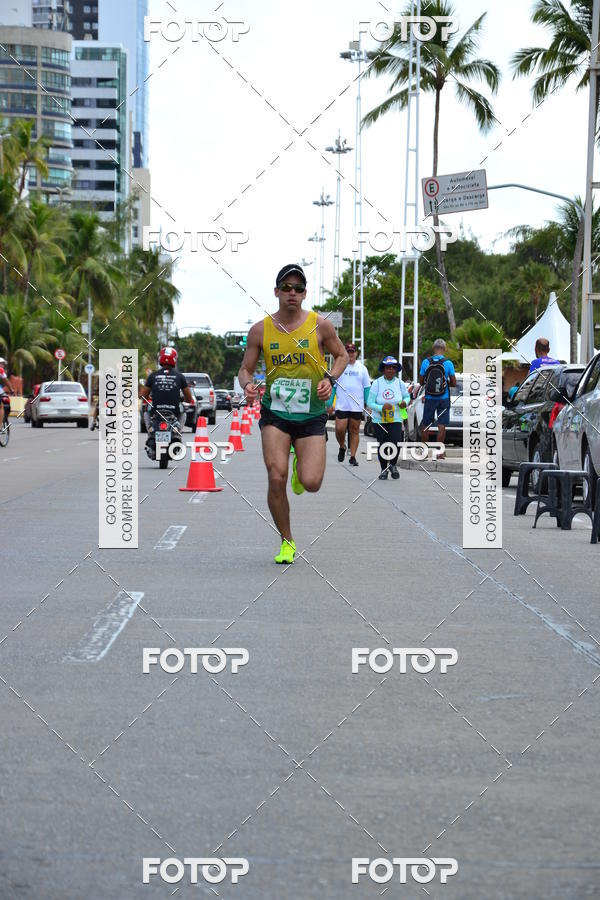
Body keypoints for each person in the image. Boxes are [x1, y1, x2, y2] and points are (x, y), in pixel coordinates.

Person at [238, 263, 348, 564]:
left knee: (311, 483)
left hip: (311, 414)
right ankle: (287, 541)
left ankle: (302, 465)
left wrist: (330, 379)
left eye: (298, 288)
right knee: (276, 476)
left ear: (304, 293)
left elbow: (341, 356)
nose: (292, 293)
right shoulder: (260, 330)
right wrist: (247, 385)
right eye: (286, 287)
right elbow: (245, 368)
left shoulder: (320, 325)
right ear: (276, 292)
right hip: (276, 413)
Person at [140, 347, 195, 459]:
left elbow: (144, 397)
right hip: (173, 412)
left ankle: (151, 431)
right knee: (183, 412)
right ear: (174, 359)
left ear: (160, 358)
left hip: (157, 411)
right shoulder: (180, 377)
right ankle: (177, 431)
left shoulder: (153, 376)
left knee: (145, 412)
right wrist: (183, 400)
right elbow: (189, 399)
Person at [367, 355, 410, 480]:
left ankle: (393, 465)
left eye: (393, 368)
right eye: (388, 368)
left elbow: (407, 397)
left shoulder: (400, 383)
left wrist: (405, 402)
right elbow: (370, 402)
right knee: (383, 444)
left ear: (396, 370)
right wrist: (381, 408)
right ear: (383, 369)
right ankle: (384, 469)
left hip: (396, 417)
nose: (391, 370)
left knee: (396, 442)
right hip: (379, 419)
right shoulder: (377, 383)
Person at [333, 342, 371, 466]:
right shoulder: (339, 366)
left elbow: (366, 388)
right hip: (342, 404)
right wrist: (328, 403)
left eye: (352, 351)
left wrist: (368, 404)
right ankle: (342, 446)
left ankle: (353, 456)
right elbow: (333, 386)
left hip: (356, 405)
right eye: (348, 351)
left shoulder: (362, 368)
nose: (350, 354)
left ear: (356, 353)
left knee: (354, 430)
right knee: (339, 429)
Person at [419, 338, 456, 459]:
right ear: (444, 349)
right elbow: (454, 383)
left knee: (426, 424)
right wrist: (444, 383)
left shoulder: (426, 362)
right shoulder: (448, 363)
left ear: (433, 348)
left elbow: (421, 381)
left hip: (429, 397)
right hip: (443, 398)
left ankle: (424, 452)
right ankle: (440, 452)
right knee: (441, 425)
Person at [0, 358, 13, 430]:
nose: (3, 365)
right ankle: (0, 426)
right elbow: (6, 381)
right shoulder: (1, 370)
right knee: (1, 406)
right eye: (2, 364)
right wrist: (12, 390)